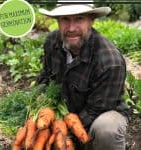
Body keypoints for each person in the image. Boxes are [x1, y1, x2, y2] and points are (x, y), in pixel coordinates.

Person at [36, 3, 129, 150]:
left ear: (91, 20)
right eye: (65, 19)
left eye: (79, 19)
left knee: (107, 129)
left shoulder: (109, 61)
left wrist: (62, 131)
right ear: (58, 21)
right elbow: (45, 77)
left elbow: (95, 111)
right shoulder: (52, 41)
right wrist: (42, 112)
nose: (71, 28)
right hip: (63, 111)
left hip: (100, 113)